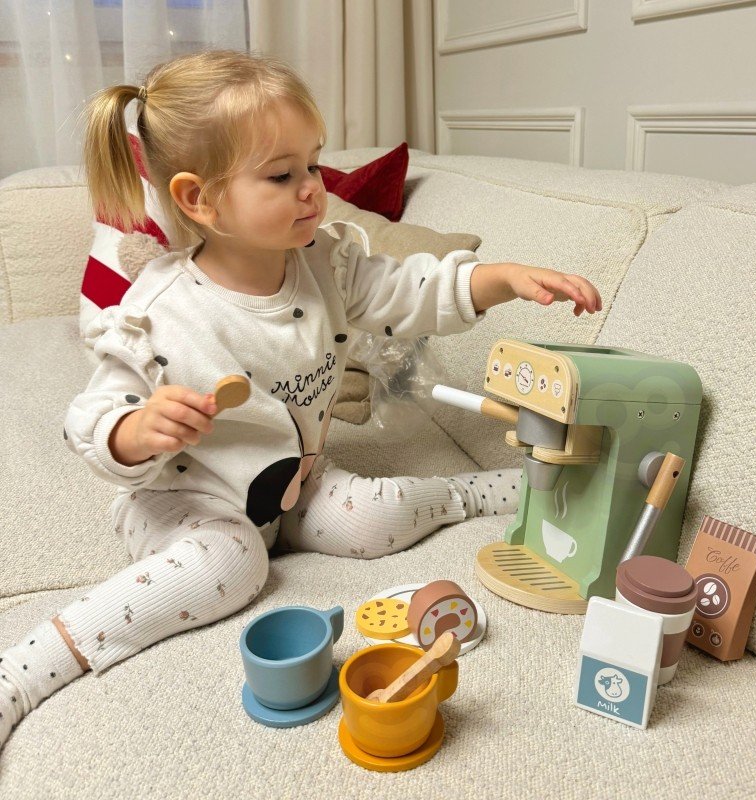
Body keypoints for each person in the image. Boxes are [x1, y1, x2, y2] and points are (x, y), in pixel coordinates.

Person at [0, 50, 601, 749]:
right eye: (283, 176)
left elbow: (413, 291)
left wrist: (501, 277)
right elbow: (91, 420)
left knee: (373, 517)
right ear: (199, 200)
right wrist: (136, 429)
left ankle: (493, 491)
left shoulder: (329, 263)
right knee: (234, 564)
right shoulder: (158, 313)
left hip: (295, 486)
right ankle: (23, 672)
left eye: (312, 165)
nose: (313, 189)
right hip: (186, 503)